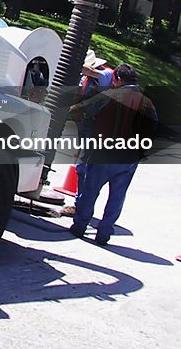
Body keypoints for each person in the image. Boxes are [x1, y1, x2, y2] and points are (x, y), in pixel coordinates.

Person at [68, 63, 158, 245]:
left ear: (117, 79)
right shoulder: (147, 103)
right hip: (129, 158)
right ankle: (104, 234)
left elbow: (80, 111)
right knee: (117, 196)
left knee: (90, 191)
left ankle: (80, 226)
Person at [61, 49, 115, 217]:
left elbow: (87, 71)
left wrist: (75, 63)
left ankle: (81, 207)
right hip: (85, 123)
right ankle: (81, 205)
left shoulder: (105, 75)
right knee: (82, 166)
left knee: (84, 168)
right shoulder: (87, 79)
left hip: (97, 127)